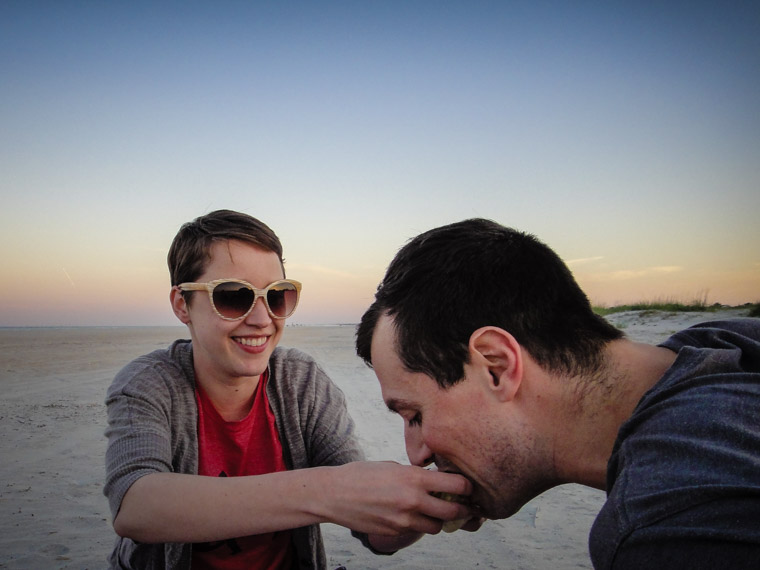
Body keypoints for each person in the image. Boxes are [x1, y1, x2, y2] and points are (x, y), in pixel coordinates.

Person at [355, 218, 760, 569]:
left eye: (415, 416)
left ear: (496, 365)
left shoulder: (667, 528)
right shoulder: (726, 344)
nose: (417, 454)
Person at [104, 210, 473, 569]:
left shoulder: (300, 383)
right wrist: (327, 492)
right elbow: (135, 505)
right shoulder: (150, 383)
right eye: (234, 296)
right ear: (182, 304)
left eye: (276, 295)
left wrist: (429, 505)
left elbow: (369, 526)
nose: (263, 319)